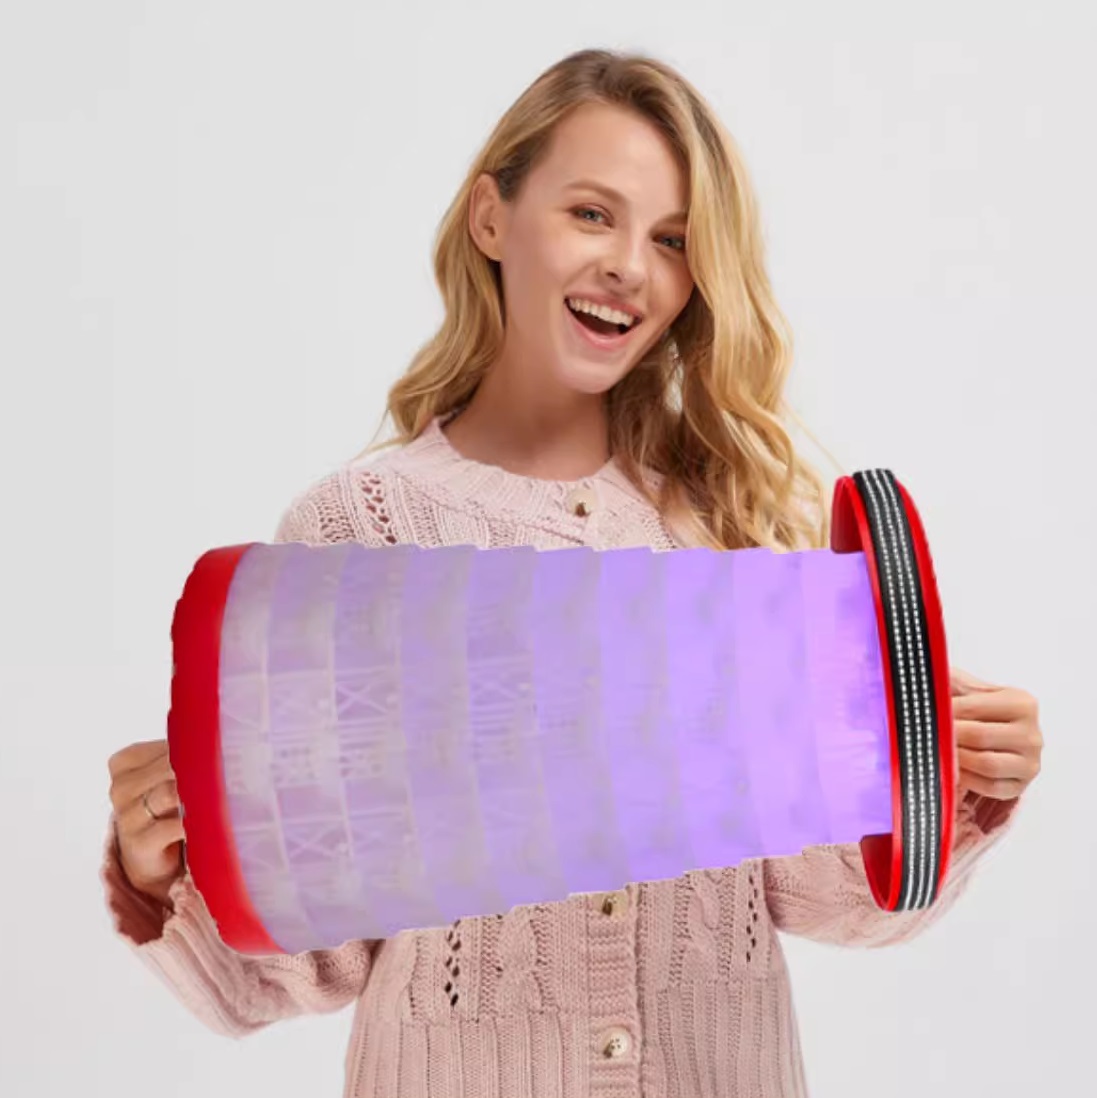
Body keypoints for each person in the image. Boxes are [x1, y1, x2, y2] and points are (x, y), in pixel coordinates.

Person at [103, 48, 1043, 1098]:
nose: (630, 267)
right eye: (592, 214)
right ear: (490, 218)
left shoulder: (730, 524)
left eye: (672, 239)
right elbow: (295, 969)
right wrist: (164, 866)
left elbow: (826, 895)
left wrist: (949, 782)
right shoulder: (358, 531)